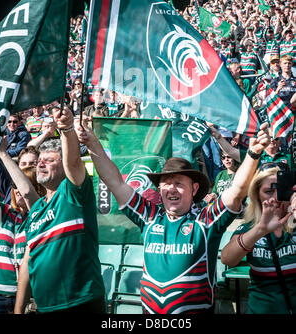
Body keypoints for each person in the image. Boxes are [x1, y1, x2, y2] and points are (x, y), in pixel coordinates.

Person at [75, 118, 270, 315]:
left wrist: (253, 154)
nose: (171, 189)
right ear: (159, 189)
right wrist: (92, 143)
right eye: (166, 183)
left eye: (178, 183)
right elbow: (114, 181)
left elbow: (237, 190)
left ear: (194, 189)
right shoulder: (149, 217)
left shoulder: (205, 221)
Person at [14, 106, 105, 314]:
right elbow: (29, 261)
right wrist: (18, 310)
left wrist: (66, 129)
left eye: (49, 160)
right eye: (39, 161)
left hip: (82, 303)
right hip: (45, 307)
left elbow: (72, 162)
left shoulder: (73, 193)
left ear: (62, 166)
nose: (41, 164)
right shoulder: (36, 209)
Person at [221, 163, 296, 314]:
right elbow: (227, 259)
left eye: (281, 190)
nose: (276, 197)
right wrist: (260, 229)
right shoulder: (249, 227)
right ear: (256, 195)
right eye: (268, 191)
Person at [0, 137, 40, 314]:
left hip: (30, 298)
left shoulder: (40, 214)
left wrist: (2, 153)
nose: (17, 190)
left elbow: (28, 192)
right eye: (14, 186)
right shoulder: (5, 212)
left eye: (20, 185)